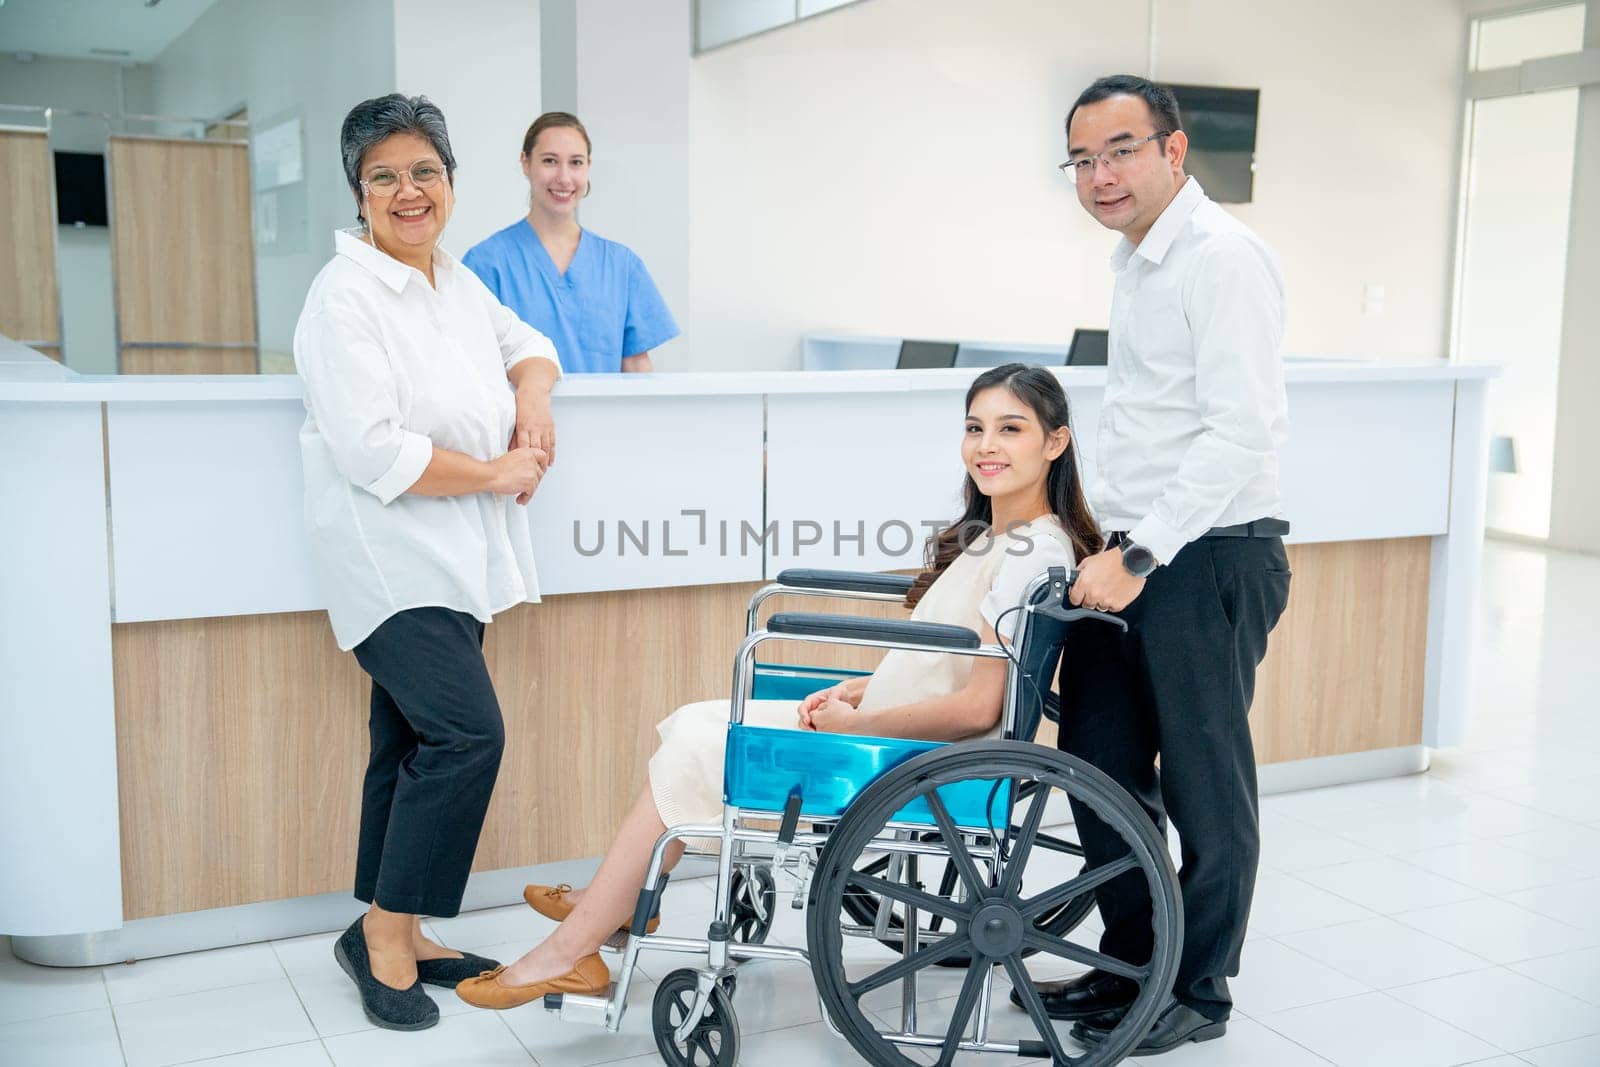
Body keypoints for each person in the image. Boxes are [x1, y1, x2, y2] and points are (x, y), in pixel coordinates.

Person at [453, 363, 1101, 1009]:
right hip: (890, 728)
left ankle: (577, 942)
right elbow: (942, 660)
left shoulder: (1026, 554)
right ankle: (611, 906)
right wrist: (858, 690)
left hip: (910, 755)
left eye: (1010, 429)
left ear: (1054, 442)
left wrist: (862, 723)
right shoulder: (1004, 539)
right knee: (694, 723)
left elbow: (979, 704)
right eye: (975, 427)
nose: (987, 445)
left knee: (705, 742)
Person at [1013, 75, 1292, 1055]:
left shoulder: (1223, 260)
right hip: (1127, 558)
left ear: (1173, 151)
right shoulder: (1137, 262)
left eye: (1119, 150)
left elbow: (1238, 433)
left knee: (1206, 777)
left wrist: (1139, 551)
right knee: (1100, 761)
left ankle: (1199, 986)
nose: (1100, 175)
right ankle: (1133, 959)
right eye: (1082, 159)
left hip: (1205, 556)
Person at [293, 93, 564, 1031]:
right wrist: (496, 467)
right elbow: (375, 451)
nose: (408, 191)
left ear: (449, 182)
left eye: (425, 172)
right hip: (391, 559)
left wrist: (533, 400)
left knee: (407, 744)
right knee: (464, 736)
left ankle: (398, 930)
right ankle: (383, 930)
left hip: (457, 553)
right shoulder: (345, 298)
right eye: (385, 176)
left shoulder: (451, 278)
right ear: (358, 193)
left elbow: (529, 345)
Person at [463, 111, 678, 374]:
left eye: (576, 162)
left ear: (588, 166)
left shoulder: (622, 266)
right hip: (523, 416)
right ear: (525, 163)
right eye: (550, 161)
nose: (564, 178)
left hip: (603, 416)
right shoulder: (486, 264)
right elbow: (473, 369)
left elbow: (636, 368)